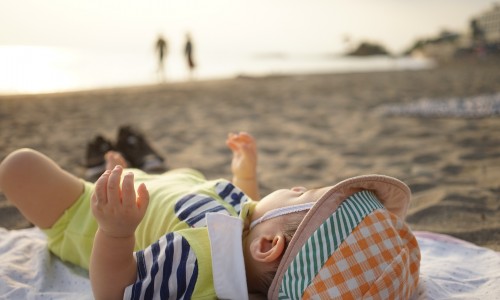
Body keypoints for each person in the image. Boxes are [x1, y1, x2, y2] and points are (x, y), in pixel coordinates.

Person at [0, 129, 420, 299]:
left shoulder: (197, 262)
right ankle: (125, 166)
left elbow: (116, 291)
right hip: (164, 189)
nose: (295, 185)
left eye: (301, 192)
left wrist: (114, 231)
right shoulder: (249, 230)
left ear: (269, 246)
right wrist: (246, 175)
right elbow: (247, 209)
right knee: (142, 171)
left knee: (20, 166)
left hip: (85, 214)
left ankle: (107, 172)